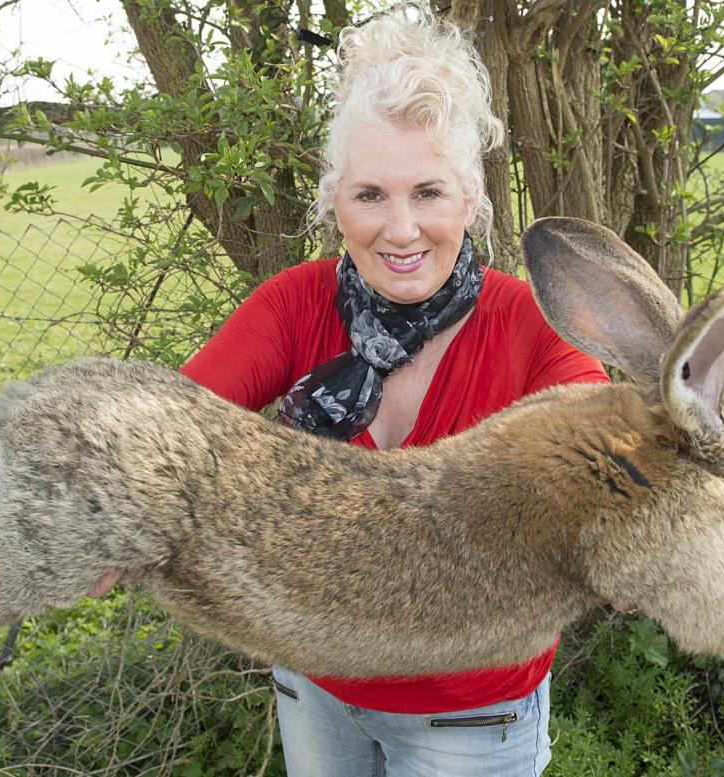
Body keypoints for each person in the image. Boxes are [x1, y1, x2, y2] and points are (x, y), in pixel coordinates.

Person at [92, 10, 608, 775]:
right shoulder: (295, 305)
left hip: (471, 714)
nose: (400, 230)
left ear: (470, 199)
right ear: (336, 201)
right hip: (315, 684)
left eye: (427, 192)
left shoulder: (533, 329)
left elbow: (606, 469)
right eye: (371, 194)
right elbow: (160, 431)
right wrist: (97, 513)